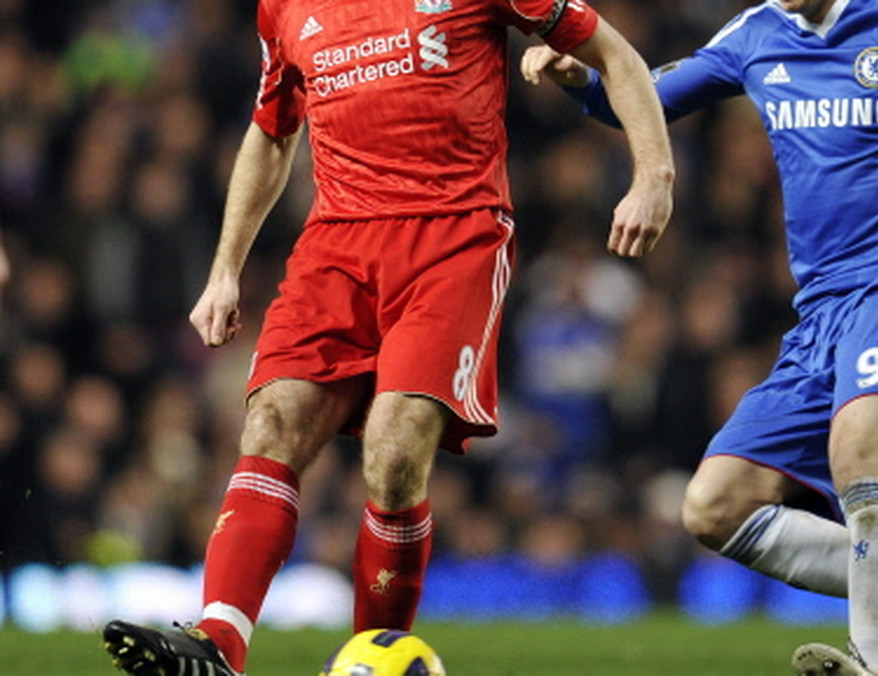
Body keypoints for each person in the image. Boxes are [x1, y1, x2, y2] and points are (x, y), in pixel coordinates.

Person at [102, 0, 673, 674]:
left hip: (453, 234)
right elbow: (273, 130)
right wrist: (225, 269)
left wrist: (654, 175)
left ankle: (373, 656)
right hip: (336, 243)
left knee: (397, 448)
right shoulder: (281, 8)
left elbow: (616, 53)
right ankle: (217, 647)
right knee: (270, 422)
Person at [523, 0, 878, 674]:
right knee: (713, 507)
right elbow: (638, 99)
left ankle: (872, 667)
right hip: (819, 320)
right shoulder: (756, 32)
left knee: (860, 456)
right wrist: (580, 77)